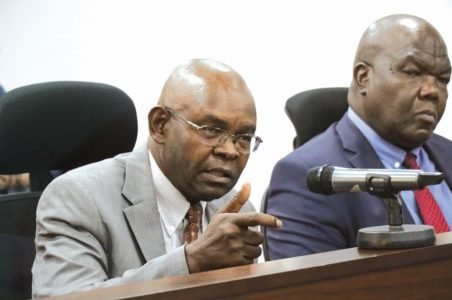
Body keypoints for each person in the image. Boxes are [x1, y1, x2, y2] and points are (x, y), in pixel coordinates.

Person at [32, 58, 281, 297]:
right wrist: (190, 261)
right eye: (212, 131)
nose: (229, 150)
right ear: (160, 125)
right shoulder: (79, 197)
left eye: (244, 138)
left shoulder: (236, 210)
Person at [265, 14, 452, 260]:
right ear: (363, 77)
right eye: (413, 72)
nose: (432, 91)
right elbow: (304, 291)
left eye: (443, 79)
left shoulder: (447, 154)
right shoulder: (305, 178)